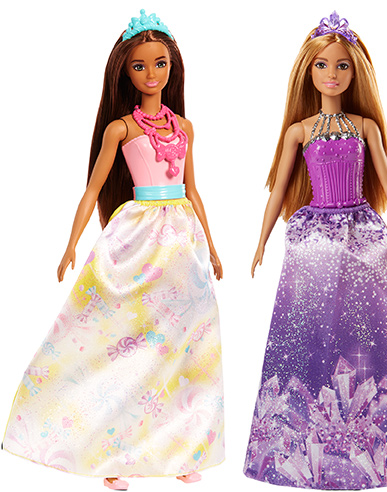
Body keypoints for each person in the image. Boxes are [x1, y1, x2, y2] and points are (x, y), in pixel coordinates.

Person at [1, 10, 225, 490]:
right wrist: (70, 246)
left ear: (172, 67)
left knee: (184, 345)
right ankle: (112, 453)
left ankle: (181, 448)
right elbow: (92, 189)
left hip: (182, 242)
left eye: (160, 63)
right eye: (140, 65)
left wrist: (213, 247)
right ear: (125, 71)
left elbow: (194, 190)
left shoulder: (185, 127)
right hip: (138, 237)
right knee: (127, 344)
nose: (151, 73)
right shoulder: (120, 129)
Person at [243, 11, 387, 489]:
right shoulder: (299, 131)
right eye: (323, 65)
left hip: (362, 235)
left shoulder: (365, 126)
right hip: (316, 239)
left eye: (342, 65)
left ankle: (374, 443)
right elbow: (278, 190)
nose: (332, 74)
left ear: (355, 72)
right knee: (311, 331)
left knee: (366, 331)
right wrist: (261, 241)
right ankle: (305, 444)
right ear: (309, 71)